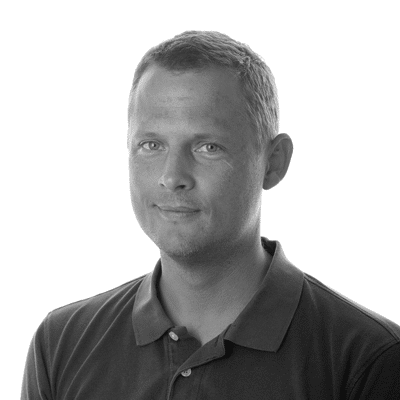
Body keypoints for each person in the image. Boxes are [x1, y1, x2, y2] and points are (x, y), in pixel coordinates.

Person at [21, 30, 400, 399]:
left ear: (273, 163)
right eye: (151, 145)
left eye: (208, 147)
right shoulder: (61, 345)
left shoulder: (369, 360)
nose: (172, 177)